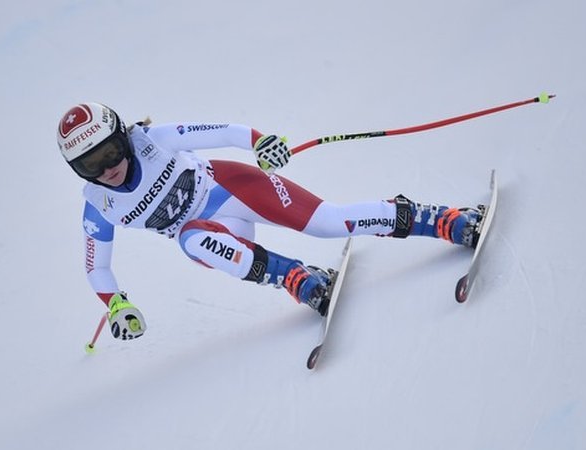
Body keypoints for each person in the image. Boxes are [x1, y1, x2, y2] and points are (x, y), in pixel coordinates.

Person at [57, 103, 483, 341]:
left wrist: (261, 141)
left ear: (123, 136)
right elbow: (97, 265)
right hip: (216, 232)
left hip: (233, 188)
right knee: (193, 243)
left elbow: (220, 130)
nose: (108, 168)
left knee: (328, 222)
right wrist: (117, 305)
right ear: (78, 170)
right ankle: (297, 277)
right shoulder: (99, 206)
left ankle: (444, 219)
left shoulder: (151, 141)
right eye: (91, 164)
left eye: (111, 151)